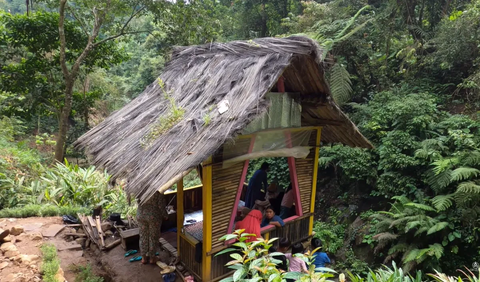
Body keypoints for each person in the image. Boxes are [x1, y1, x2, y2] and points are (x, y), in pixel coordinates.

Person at [136, 191, 168, 264]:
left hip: (141, 214)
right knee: (153, 236)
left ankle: (144, 258)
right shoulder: (158, 191)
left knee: (143, 236)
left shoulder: (141, 188)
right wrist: (166, 216)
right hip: (153, 216)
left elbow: (138, 201)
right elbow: (161, 206)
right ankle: (152, 258)